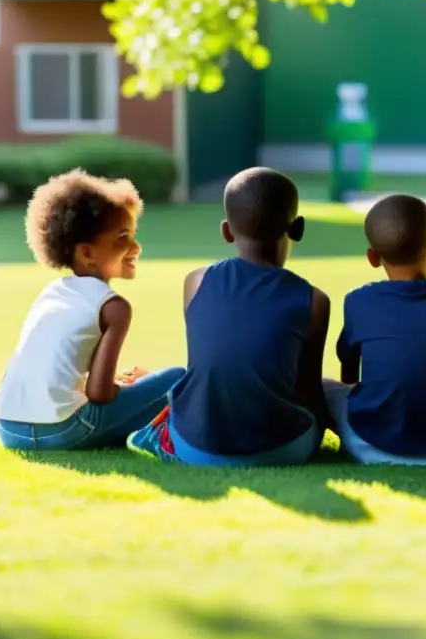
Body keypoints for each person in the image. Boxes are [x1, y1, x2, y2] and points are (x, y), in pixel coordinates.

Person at [128, 167, 330, 466]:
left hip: (195, 448)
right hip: (283, 451)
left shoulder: (195, 282)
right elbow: (309, 389)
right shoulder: (314, 300)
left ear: (226, 230)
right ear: (297, 228)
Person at [0, 170, 184, 450]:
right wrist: (131, 389)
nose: (136, 247)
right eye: (122, 237)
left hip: (8, 429)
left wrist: (120, 384)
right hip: (63, 430)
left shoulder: (51, 293)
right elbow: (100, 393)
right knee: (179, 378)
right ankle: (164, 437)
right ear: (87, 253)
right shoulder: (113, 307)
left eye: (133, 235)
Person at [322, 194, 426, 465]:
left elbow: (349, 366)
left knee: (324, 386)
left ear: (372, 257)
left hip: (367, 445)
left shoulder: (358, 301)